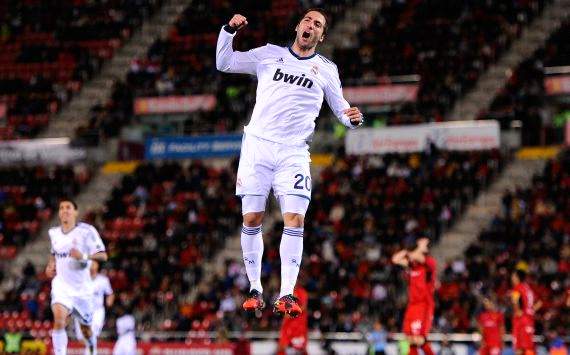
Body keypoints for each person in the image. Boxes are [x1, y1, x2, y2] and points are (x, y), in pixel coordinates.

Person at [216, 8, 363, 317]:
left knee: (295, 219)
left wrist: (352, 119)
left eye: (318, 24)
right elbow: (225, 62)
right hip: (257, 146)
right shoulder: (268, 55)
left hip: (294, 152)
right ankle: (255, 288)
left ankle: (286, 294)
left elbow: (342, 110)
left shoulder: (326, 70)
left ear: (321, 36)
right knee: (253, 218)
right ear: (298, 27)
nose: (311, 25)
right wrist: (229, 31)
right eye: (308, 20)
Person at [45, 199, 108, 355]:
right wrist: (50, 265)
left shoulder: (87, 231)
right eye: (61, 208)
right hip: (62, 286)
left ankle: (92, 348)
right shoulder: (54, 233)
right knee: (59, 319)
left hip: (82, 290)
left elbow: (103, 256)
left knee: (86, 329)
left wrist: (83, 256)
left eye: (68, 207)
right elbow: (54, 253)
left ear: (75, 212)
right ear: (59, 213)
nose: (65, 210)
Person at [392, 236, 437, 355]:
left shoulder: (429, 263)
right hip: (412, 305)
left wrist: (420, 248)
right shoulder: (412, 265)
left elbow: (416, 256)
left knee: (419, 340)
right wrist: (407, 249)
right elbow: (395, 259)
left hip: (424, 304)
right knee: (409, 339)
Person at [74, 261, 114, 355]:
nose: (92, 266)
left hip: (97, 311)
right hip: (82, 311)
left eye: (94, 264)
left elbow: (110, 293)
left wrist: (109, 301)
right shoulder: (81, 279)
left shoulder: (103, 280)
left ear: (97, 266)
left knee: (92, 334)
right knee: (81, 337)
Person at [511, 269, 541, 355]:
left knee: (519, 347)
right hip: (529, 319)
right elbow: (539, 302)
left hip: (521, 320)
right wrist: (531, 310)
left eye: (513, 276)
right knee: (528, 347)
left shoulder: (517, 287)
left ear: (517, 277)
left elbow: (514, 301)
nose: (512, 278)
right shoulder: (528, 288)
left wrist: (517, 311)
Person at [277, 285, 309, 355]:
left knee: (300, 348)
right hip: (287, 324)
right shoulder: (285, 292)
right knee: (281, 347)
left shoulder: (301, 292)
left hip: (298, 325)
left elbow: (304, 307)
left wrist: (292, 314)